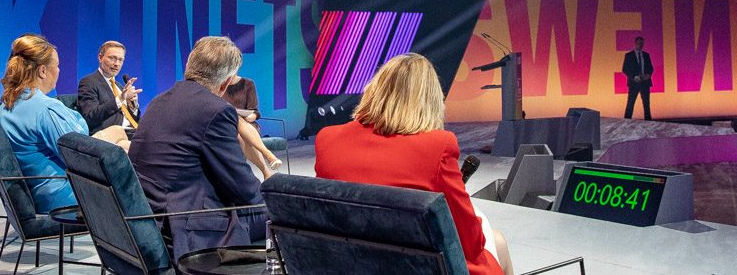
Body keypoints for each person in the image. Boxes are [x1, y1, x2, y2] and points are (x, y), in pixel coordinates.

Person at [315, 53, 511, 275]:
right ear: (430, 101)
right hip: (413, 267)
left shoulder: (327, 139)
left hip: (345, 265)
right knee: (497, 241)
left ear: (374, 90)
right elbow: (471, 243)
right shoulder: (438, 146)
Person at [129, 36, 267, 258]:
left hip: (147, 217)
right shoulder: (217, 110)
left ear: (189, 66)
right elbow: (244, 189)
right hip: (184, 227)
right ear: (225, 83)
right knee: (286, 213)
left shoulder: (158, 101)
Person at [0, 34, 99, 214]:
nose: (59, 71)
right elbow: (81, 159)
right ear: (42, 71)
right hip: (64, 198)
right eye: (57, 65)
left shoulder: (3, 110)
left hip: (37, 197)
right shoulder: (46, 109)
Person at [223, 73, 281, 179]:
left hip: (247, 124)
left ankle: (246, 176)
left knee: (240, 130)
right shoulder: (218, 84)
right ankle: (267, 162)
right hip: (226, 124)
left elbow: (255, 111)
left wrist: (252, 116)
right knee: (237, 129)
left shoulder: (248, 83)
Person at [78, 40, 142, 132]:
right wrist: (120, 99)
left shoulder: (119, 86)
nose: (117, 64)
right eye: (112, 58)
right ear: (100, 57)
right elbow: (90, 117)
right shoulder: (89, 82)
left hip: (134, 132)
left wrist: (132, 106)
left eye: (120, 60)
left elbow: (134, 120)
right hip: (113, 135)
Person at [622, 36, 654, 120]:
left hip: (645, 82)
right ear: (635, 43)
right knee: (630, 103)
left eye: (642, 43)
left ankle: (648, 122)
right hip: (634, 83)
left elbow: (651, 68)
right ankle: (626, 122)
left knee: (646, 104)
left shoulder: (646, 55)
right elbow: (625, 69)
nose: (641, 45)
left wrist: (648, 75)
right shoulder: (629, 55)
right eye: (639, 43)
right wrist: (633, 77)